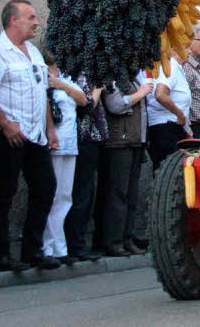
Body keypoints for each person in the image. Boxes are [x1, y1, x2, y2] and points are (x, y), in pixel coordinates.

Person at [0, 0, 60, 271]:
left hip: (35, 134)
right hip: (9, 134)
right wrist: (4, 124)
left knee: (46, 186)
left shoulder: (34, 53)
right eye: (31, 17)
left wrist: (50, 129)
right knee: (4, 192)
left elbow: (42, 93)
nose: (36, 22)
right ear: (13, 20)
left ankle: (32, 250)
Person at [41, 50, 87, 264]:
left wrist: (61, 85)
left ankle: (60, 247)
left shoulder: (65, 77)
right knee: (52, 194)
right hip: (53, 141)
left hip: (70, 143)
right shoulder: (42, 73)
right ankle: (48, 247)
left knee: (65, 196)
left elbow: (82, 99)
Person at [99, 77, 153, 256]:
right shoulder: (114, 77)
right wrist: (141, 93)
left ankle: (127, 238)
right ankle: (113, 240)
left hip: (135, 141)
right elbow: (115, 105)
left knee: (131, 194)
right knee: (118, 193)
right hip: (120, 142)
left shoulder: (132, 77)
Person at [65, 78, 107, 262]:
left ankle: (78, 243)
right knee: (81, 193)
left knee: (87, 193)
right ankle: (75, 244)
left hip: (93, 139)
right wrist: (98, 88)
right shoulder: (78, 75)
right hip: (84, 138)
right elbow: (87, 104)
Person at [145, 56, 192, 171]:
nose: (189, 50)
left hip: (171, 126)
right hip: (166, 128)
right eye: (185, 46)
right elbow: (160, 94)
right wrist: (179, 114)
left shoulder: (175, 66)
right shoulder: (170, 64)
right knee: (169, 173)